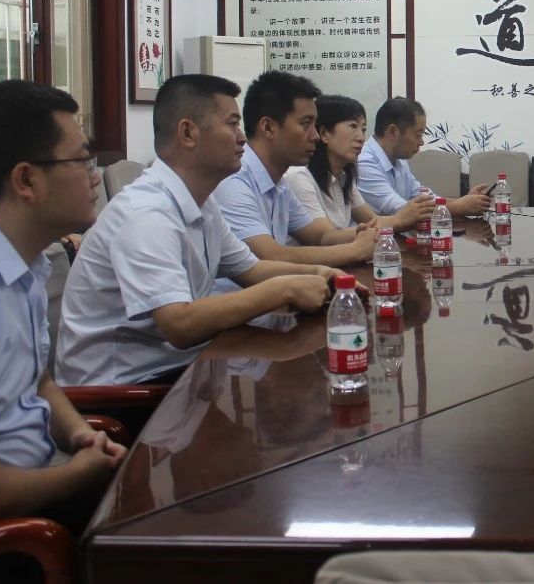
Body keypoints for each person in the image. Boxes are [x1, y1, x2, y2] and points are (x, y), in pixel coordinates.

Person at [55, 74, 346, 387]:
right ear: (188, 133)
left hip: (179, 367)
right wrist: (283, 289)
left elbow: (251, 269)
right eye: (232, 124)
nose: (243, 138)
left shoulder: (202, 203)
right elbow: (179, 324)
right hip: (126, 388)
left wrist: (319, 274)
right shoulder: (146, 213)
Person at [0, 80, 125, 530]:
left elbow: (35, 379)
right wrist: (75, 476)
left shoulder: (23, 259)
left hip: (37, 479)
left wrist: (79, 434)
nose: (95, 176)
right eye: (81, 160)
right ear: (25, 180)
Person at [214, 71, 378, 265]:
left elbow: (321, 237)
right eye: (306, 124)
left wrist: (364, 234)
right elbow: (271, 256)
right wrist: (355, 250)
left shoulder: (279, 183)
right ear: (268, 127)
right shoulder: (234, 180)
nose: (315, 136)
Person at [285, 94, 429, 231]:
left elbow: (372, 220)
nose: (361, 137)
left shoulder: (344, 177)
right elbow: (326, 237)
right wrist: (400, 219)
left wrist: (404, 218)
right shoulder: (299, 176)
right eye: (353, 126)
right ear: (324, 134)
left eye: (363, 129)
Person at [357, 96, 489, 218]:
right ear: (392, 131)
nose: (421, 142)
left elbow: (424, 199)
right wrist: (458, 207)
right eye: (418, 135)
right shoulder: (365, 163)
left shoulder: (399, 160)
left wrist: (464, 201)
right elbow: (399, 210)